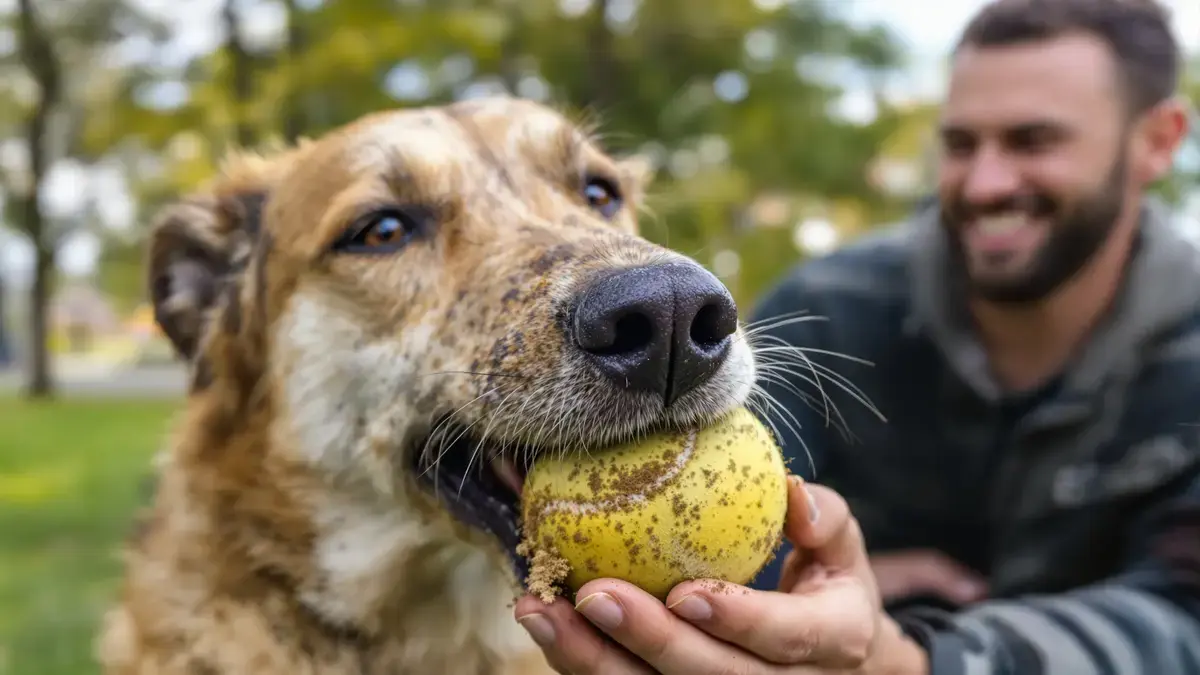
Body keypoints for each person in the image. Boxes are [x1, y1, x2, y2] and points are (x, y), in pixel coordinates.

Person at [512, 0, 1200, 672]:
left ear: (1158, 141)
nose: (986, 183)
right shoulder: (825, 310)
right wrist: (793, 587)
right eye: (961, 144)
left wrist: (908, 655)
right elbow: (680, 535)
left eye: (1034, 141)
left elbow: (1186, 621)